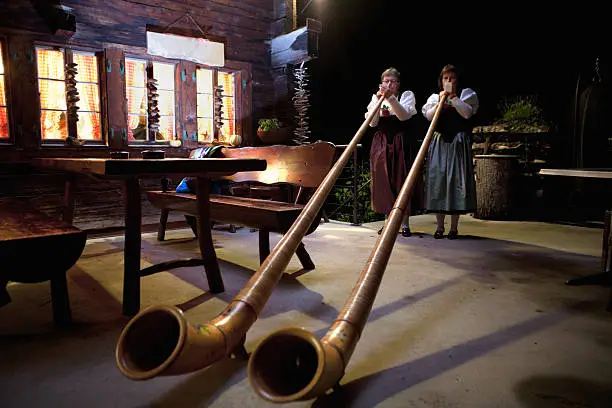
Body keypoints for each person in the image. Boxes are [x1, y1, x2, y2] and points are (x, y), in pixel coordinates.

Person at [421, 64, 479, 239]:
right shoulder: (434, 97)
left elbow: (467, 113)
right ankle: (439, 227)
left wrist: (453, 98)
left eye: (452, 78)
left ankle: (454, 228)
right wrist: (441, 101)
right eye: (445, 78)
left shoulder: (466, 94)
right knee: (438, 181)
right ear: (441, 81)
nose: (449, 81)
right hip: (440, 142)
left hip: (458, 142)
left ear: (457, 80)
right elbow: (429, 116)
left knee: (456, 182)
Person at [365, 67, 417, 237]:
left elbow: (404, 116)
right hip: (381, 144)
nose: (389, 84)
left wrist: (391, 99)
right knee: (384, 182)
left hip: (400, 142)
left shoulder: (406, 96)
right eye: (386, 81)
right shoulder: (376, 98)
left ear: (398, 84)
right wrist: (380, 101)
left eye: (392, 81)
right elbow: (372, 123)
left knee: (401, 180)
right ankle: (387, 222)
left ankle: (404, 224)